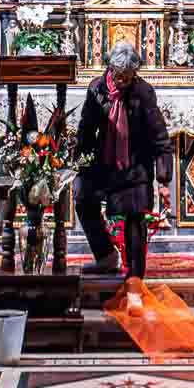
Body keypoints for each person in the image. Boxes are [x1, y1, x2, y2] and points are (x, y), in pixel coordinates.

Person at [74, 43, 172, 279]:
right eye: (119, 76)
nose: (122, 82)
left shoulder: (143, 92)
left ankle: (136, 275)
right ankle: (106, 256)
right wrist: (80, 160)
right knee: (82, 196)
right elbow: (86, 127)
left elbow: (159, 133)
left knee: (135, 212)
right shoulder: (97, 88)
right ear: (110, 69)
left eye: (128, 77)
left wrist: (163, 175)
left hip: (134, 164)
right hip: (102, 162)